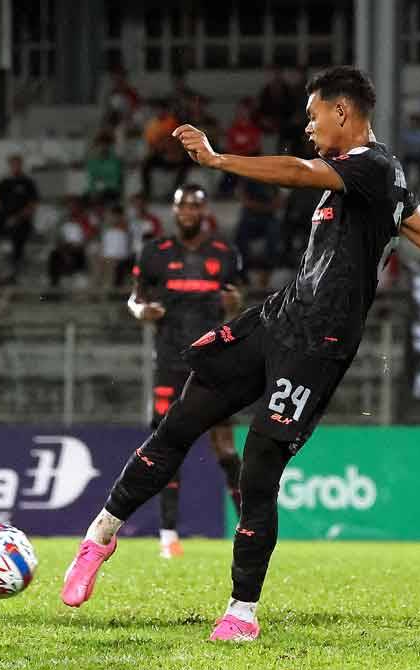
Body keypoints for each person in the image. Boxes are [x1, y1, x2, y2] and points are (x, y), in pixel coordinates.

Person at [60, 66, 420, 642]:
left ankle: (241, 611)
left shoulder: (373, 167)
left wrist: (217, 160)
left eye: (313, 116)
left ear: (342, 112)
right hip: (276, 320)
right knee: (179, 423)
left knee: (260, 469)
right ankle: (100, 535)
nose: (308, 128)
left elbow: (296, 171)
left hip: (318, 348)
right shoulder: (381, 185)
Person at [127, 184, 245, 559]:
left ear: (204, 211)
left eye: (195, 205)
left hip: (214, 363)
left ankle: (249, 531)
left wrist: (235, 304)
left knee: (225, 447)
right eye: (183, 206)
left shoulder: (224, 253)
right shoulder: (154, 252)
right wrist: (141, 311)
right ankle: (168, 536)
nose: (189, 212)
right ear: (175, 211)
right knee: (167, 445)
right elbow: (134, 299)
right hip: (170, 362)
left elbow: (235, 304)